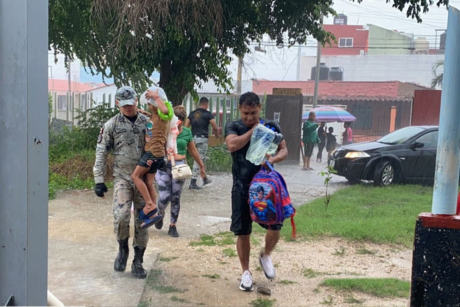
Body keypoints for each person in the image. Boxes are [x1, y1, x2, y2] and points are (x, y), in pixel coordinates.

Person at [225, 91, 288, 291]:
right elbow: (232, 145)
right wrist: (254, 131)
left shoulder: (273, 126)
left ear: (260, 107)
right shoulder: (234, 126)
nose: (250, 117)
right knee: (243, 231)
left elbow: (284, 149)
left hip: (267, 187)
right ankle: (246, 273)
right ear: (239, 110)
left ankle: (266, 254)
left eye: (253, 112)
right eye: (246, 113)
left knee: (275, 225)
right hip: (241, 187)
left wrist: (272, 159)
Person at [93, 86, 150, 279]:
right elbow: (101, 151)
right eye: (123, 104)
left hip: (144, 180)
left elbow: (159, 145)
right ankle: (123, 247)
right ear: (117, 103)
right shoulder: (112, 125)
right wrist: (99, 179)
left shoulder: (147, 122)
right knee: (122, 216)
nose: (127, 107)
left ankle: (138, 260)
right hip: (123, 178)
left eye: (130, 103)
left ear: (136, 101)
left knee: (143, 221)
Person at [155, 105, 207, 237]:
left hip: (179, 167)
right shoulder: (164, 130)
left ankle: (173, 225)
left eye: (179, 121)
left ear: (182, 121)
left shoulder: (186, 133)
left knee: (175, 197)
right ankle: (160, 214)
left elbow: (193, 150)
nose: (176, 124)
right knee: (164, 196)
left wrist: (201, 166)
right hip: (163, 166)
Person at [131, 88, 172, 229]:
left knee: (135, 176)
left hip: (153, 153)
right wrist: (140, 111)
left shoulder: (163, 115)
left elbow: (165, 110)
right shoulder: (154, 117)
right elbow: (150, 120)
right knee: (149, 182)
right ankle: (154, 215)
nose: (148, 106)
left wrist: (156, 96)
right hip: (158, 154)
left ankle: (149, 205)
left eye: (150, 103)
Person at [185, 97, 220, 190]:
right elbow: (215, 126)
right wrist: (217, 134)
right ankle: (193, 182)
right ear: (206, 104)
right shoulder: (208, 114)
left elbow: (185, 126)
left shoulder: (192, 114)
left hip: (192, 139)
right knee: (198, 159)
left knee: (201, 159)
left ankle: (204, 179)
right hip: (202, 139)